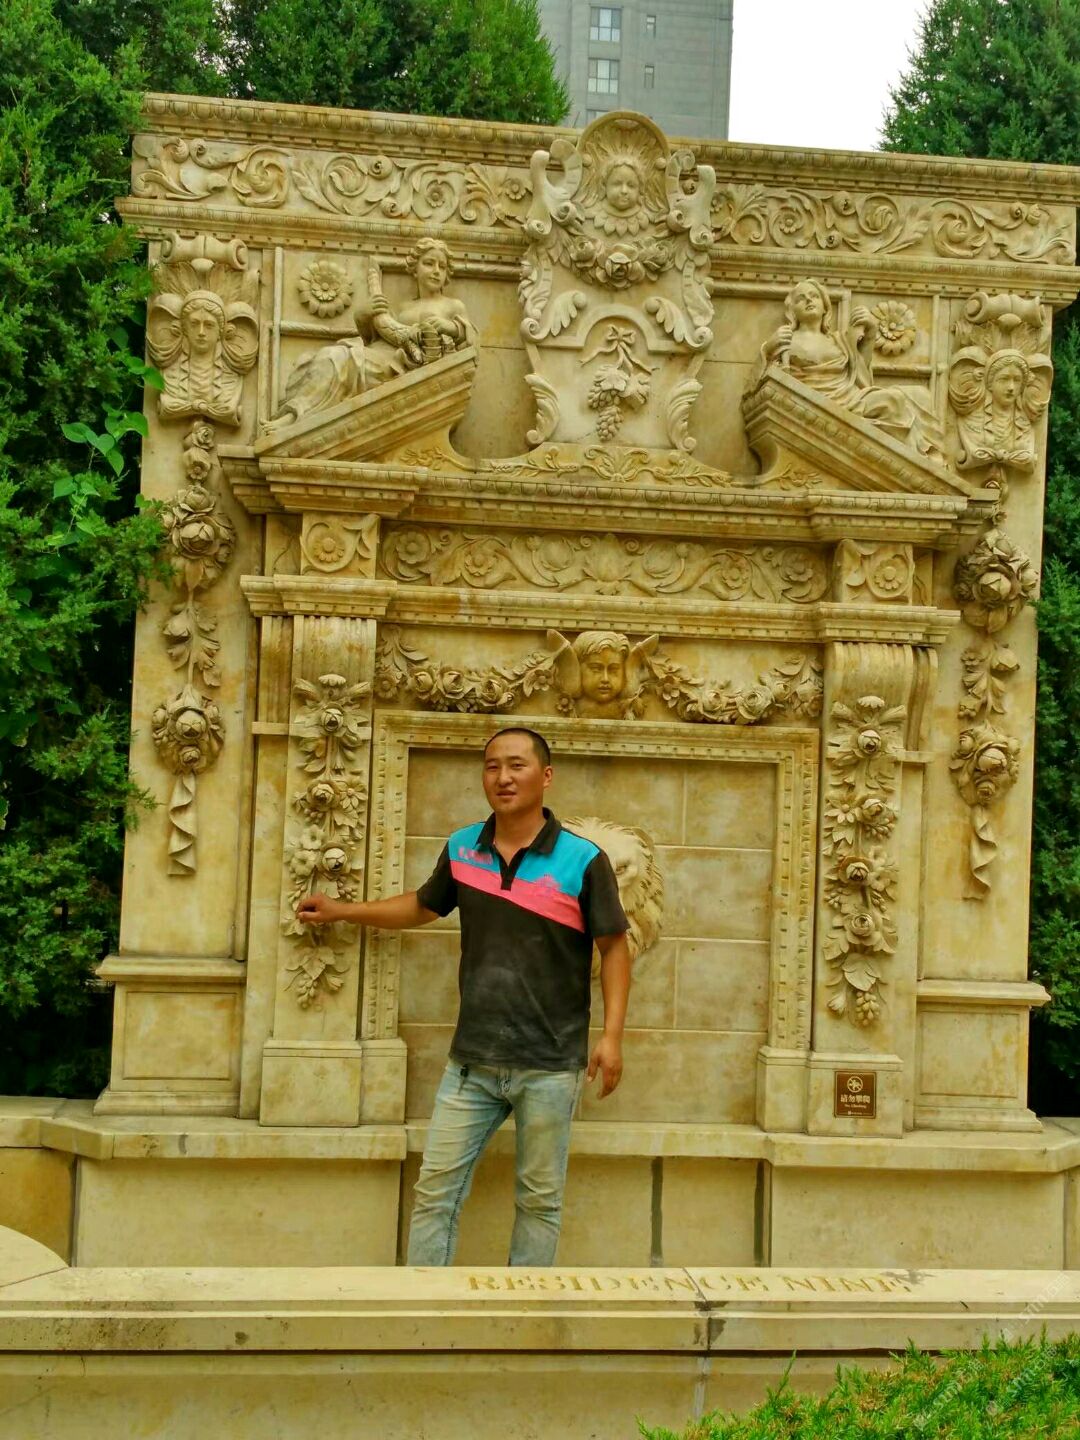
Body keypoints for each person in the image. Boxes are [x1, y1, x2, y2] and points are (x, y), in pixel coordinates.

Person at [297, 726, 631, 1266]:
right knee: (435, 1193)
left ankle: (521, 1310)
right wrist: (343, 911)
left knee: (539, 1201)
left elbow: (615, 948)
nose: (503, 777)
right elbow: (422, 906)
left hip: (550, 1064)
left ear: (546, 776)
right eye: (492, 766)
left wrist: (611, 1038)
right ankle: (425, 1308)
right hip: (471, 1063)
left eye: (517, 765)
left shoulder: (583, 859)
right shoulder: (463, 848)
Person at [753, 277, 943, 459]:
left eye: (814, 296)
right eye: (800, 299)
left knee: (906, 397)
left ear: (825, 307)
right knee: (895, 400)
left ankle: (921, 461)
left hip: (849, 398)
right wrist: (768, 349)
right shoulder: (787, 339)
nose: (808, 300)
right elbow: (758, 385)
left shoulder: (839, 340)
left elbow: (862, 379)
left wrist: (870, 334)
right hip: (812, 401)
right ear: (792, 311)